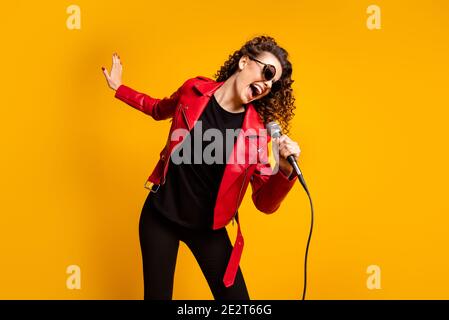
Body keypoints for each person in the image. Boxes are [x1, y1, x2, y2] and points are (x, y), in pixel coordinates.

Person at [101, 35, 301, 300]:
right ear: (243, 61)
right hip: (160, 216)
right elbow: (158, 108)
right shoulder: (193, 90)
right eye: (267, 72)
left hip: (209, 230)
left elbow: (264, 203)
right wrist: (119, 88)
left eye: (272, 84)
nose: (266, 84)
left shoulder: (257, 134)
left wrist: (285, 170)